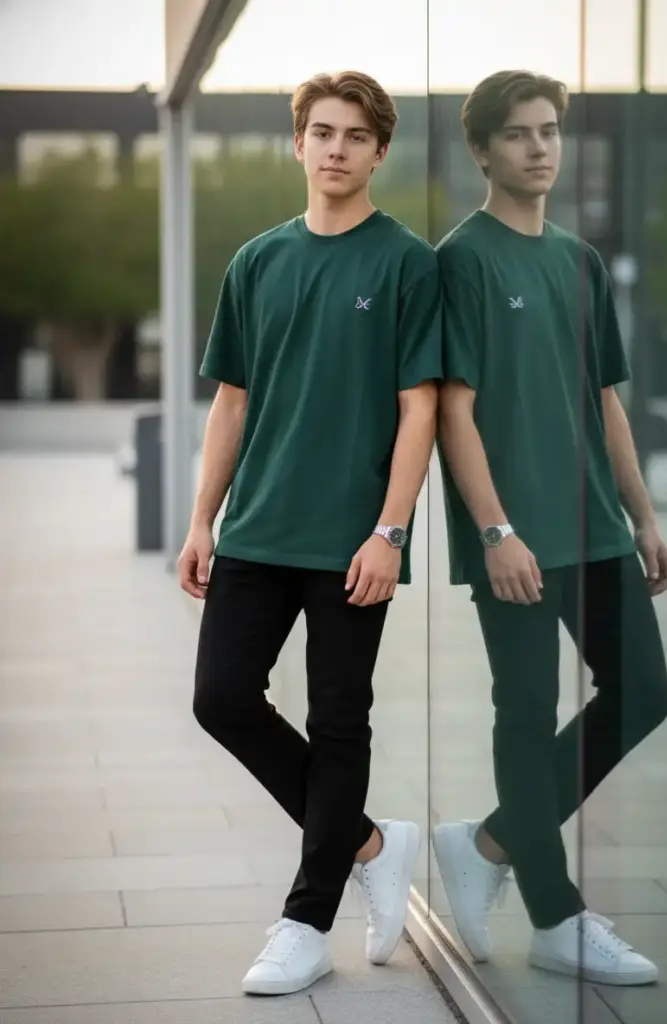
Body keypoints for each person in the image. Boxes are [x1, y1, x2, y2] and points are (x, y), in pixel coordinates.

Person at [178, 70, 442, 997]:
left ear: (378, 152)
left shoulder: (407, 263)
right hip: (255, 527)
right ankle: (370, 840)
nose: (336, 149)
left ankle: (305, 918)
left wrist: (390, 532)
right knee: (221, 699)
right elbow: (232, 401)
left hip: (350, 542)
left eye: (355, 136)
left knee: (339, 720)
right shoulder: (256, 261)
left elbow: (421, 411)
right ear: (298, 143)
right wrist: (202, 518)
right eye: (321, 132)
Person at [433, 70, 667, 986]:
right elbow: (456, 411)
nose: (540, 148)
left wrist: (641, 516)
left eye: (549, 132)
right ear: (483, 151)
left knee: (642, 694)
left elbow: (604, 401)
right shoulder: (463, 259)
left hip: (596, 526)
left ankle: (493, 838)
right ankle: (552, 911)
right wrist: (495, 534)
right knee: (525, 714)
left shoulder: (576, 260)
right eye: (519, 135)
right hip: (515, 536)